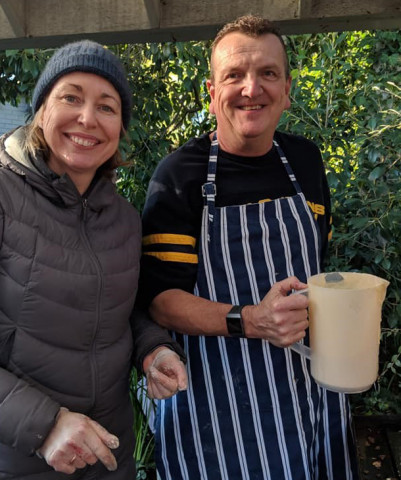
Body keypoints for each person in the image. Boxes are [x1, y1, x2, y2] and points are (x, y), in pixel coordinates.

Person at [139, 15, 360, 480]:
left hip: (312, 389)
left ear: (287, 87)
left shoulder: (306, 161)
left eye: (268, 73)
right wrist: (251, 319)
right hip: (217, 405)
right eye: (234, 75)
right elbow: (160, 302)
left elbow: (318, 268)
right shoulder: (179, 175)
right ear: (211, 90)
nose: (251, 88)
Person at [0, 40, 187, 479]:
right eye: (71, 97)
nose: (87, 118)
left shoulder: (122, 217)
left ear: (120, 128)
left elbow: (121, 309)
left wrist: (152, 350)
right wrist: (46, 426)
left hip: (108, 456)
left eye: (107, 106)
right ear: (42, 110)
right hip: (18, 461)